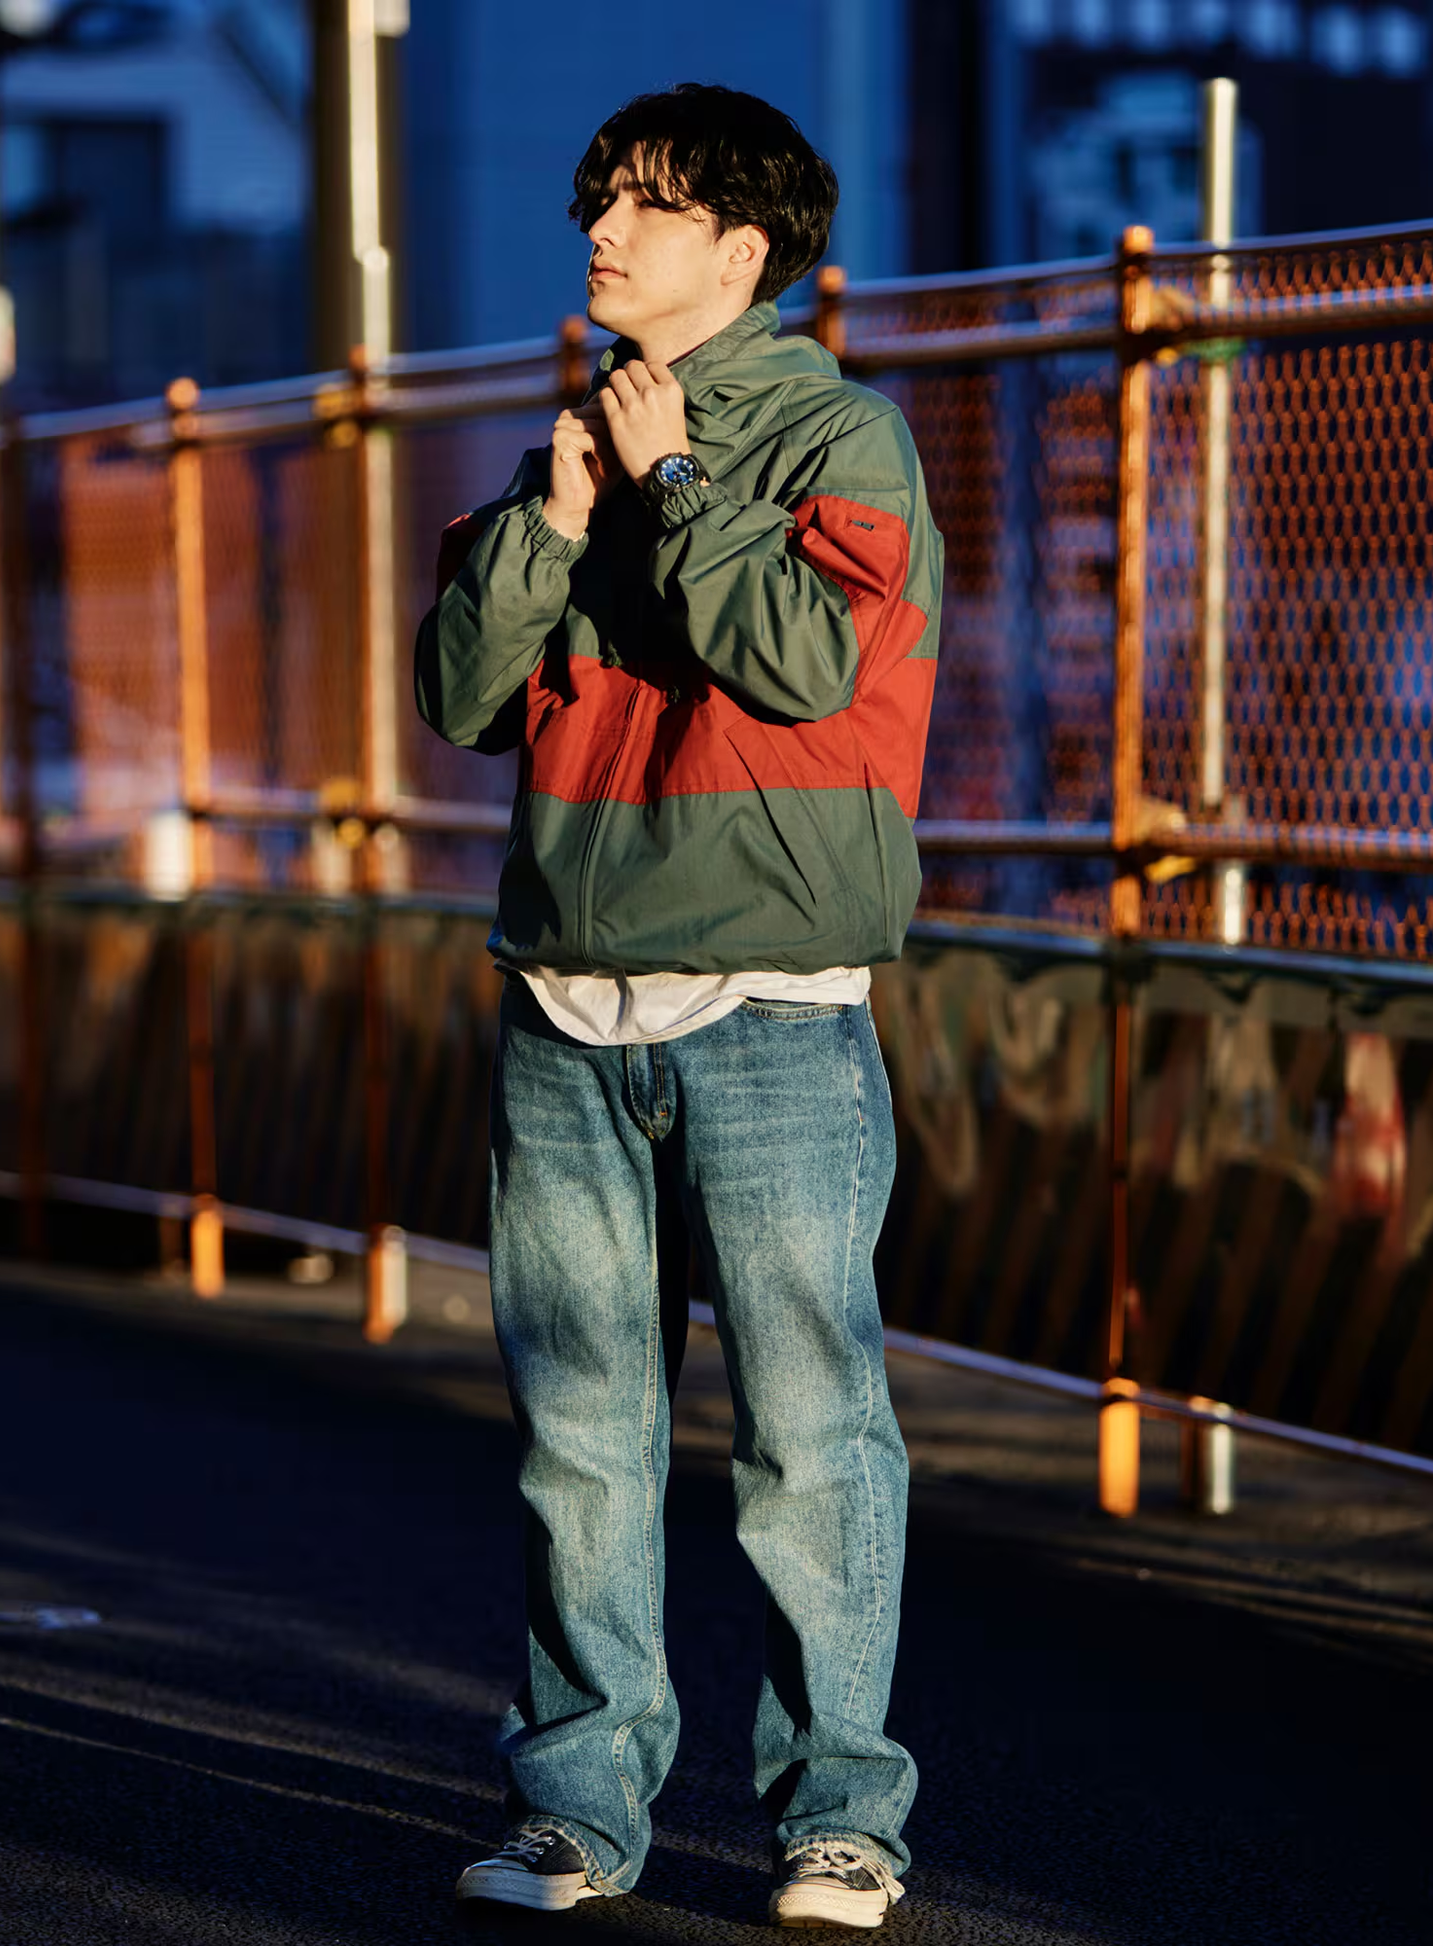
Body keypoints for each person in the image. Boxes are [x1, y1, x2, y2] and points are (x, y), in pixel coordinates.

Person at [414, 81, 942, 1932]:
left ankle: (841, 1819)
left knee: (809, 1430)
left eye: (643, 205)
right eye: (599, 201)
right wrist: (552, 521)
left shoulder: (841, 437)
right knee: (579, 1436)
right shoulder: (569, 444)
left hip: (774, 1004)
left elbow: (801, 665)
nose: (600, 233)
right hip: (565, 999)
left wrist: (677, 487)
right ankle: (575, 1808)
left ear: (742, 248)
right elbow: (462, 700)